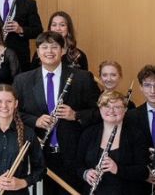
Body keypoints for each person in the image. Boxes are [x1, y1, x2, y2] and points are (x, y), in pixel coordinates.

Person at [14, 32, 100, 194]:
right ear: (38, 52)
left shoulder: (82, 78)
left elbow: (99, 113)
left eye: (54, 47)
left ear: (63, 50)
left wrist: (76, 115)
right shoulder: (22, 80)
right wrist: (35, 121)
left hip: (73, 156)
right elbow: (14, 114)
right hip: (38, 155)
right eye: (44, 47)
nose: (49, 51)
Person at [74, 90, 150, 194]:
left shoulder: (136, 135)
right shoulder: (89, 133)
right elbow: (78, 165)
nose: (111, 110)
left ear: (125, 109)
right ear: (100, 109)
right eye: (106, 106)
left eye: (117, 107)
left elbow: (144, 172)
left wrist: (117, 169)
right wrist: (86, 173)